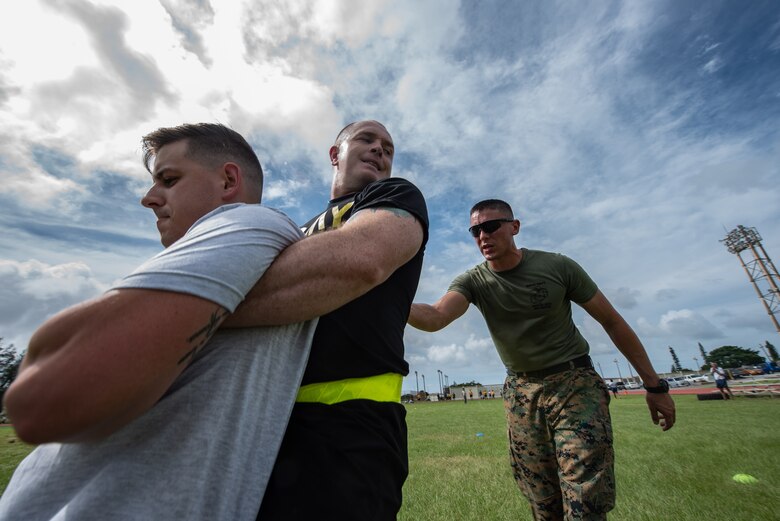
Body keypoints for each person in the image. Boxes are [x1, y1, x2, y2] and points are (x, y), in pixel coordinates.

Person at [0, 123, 317, 520]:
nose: (149, 199)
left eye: (169, 179)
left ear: (228, 181)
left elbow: (39, 401)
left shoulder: (245, 224)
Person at [408, 199, 676, 521]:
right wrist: (392, 300)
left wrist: (654, 385)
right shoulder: (473, 281)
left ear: (515, 227)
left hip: (574, 385)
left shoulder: (558, 267)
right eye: (475, 230)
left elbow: (612, 321)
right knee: (542, 499)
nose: (483, 236)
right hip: (522, 392)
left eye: (491, 227)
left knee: (584, 498)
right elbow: (436, 316)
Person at [223, 120, 428, 520]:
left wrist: (206, 305)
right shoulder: (295, 231)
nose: (380, 149)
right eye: (366, 139)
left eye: (387, 146)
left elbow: (361, 261)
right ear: (335, 155)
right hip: (269, 419)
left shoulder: (395, 194)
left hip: (352, 423)